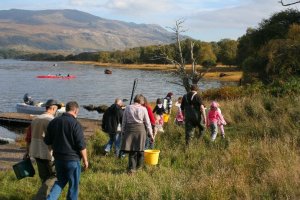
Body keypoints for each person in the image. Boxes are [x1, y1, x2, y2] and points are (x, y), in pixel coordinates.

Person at [44, 101, 88, 200]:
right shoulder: (76, 124)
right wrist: (85, 160)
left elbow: (47, 142)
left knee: (60, 181)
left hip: (58, 159)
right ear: (76, 110)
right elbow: (81, 145)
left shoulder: (54, 122)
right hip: (72, 160)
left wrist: (53, 154)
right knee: (73, 186)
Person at [24, 99, 61, 200]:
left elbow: (28, 138)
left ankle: (45, 196)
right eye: (56, 109)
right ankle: (40, 197)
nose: (56, 111)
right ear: (53, 108)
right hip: (48, 153)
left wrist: (27, 152)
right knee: (55, 175)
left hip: (35, 152)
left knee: (44, 178)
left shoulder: (35, 119)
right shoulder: (52, 121)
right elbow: (56, 139)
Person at [121, 94, 154, 174]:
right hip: (140, 130)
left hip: (129, 130)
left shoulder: (128, 107)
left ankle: (132, 169)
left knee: (132, 151)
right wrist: (151, 134)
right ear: (141, 101)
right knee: (140, 150)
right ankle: (139, 167)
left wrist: (123, 131)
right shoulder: (143, 109)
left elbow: (124, 121)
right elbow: (147, 123)